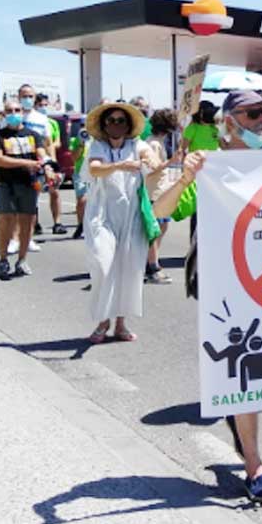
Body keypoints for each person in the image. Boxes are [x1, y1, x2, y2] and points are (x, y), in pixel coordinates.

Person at [152, 88, 262, 504]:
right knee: (244, 369)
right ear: (228, 123)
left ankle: (242, 444)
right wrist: (185, 176)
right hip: (226, 284)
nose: (261, 120)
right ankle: (255, 465)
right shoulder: (209, 167)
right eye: (252, 114)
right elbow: (162, 210)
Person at [80, 101, 158, 344]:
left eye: (121, 120)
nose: (116, 125)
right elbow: (95, 170)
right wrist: (119, 166)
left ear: (128, 125)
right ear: (104, 125)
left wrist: (156, 162)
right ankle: (103, 320)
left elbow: (151, 160)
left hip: (132, 214)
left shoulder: (137, 145)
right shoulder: (97, 145)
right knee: (104, 266)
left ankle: (121, 323)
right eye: (111, 121)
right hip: (102, 215)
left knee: (130, 268)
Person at [0, 100, 55, 281]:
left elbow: (42, 155)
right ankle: (3, 260)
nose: (13, 113)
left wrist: (47, 168)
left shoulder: (33, 135)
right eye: (9, 110)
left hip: (28, 184)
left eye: (17, 110)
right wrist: (27, 163)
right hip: (6, 183)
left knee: (27, 222)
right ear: (3, 114)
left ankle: (22, 260)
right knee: (6, 220)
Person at [18, 85, 68, 237]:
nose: (28, 99)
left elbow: (49, 143)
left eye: (30, 96)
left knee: (54, 192)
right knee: (32, 196)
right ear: (19, 97)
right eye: (24, 96)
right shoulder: (15, 116)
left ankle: (57, 223)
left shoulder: (43, 120)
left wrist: (52, 165)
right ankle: (32, 228)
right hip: (23, 165)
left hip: (43, 164)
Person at [142, 108, 179, 284]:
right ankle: (152, 265)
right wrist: (171, 162)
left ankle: (151, 261)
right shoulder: (154, 144)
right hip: (154, 192)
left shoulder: (156, 142)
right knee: (156, 230)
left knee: (160, 229)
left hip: (159, 191)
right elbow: (151, 168)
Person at [70, 126, 90, 239]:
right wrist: (81, 144)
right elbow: (74, 158)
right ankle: (81, 225)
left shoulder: (98, 138)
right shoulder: (75, 140)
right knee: (82, 200)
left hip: (95, 172)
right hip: (80, 172)